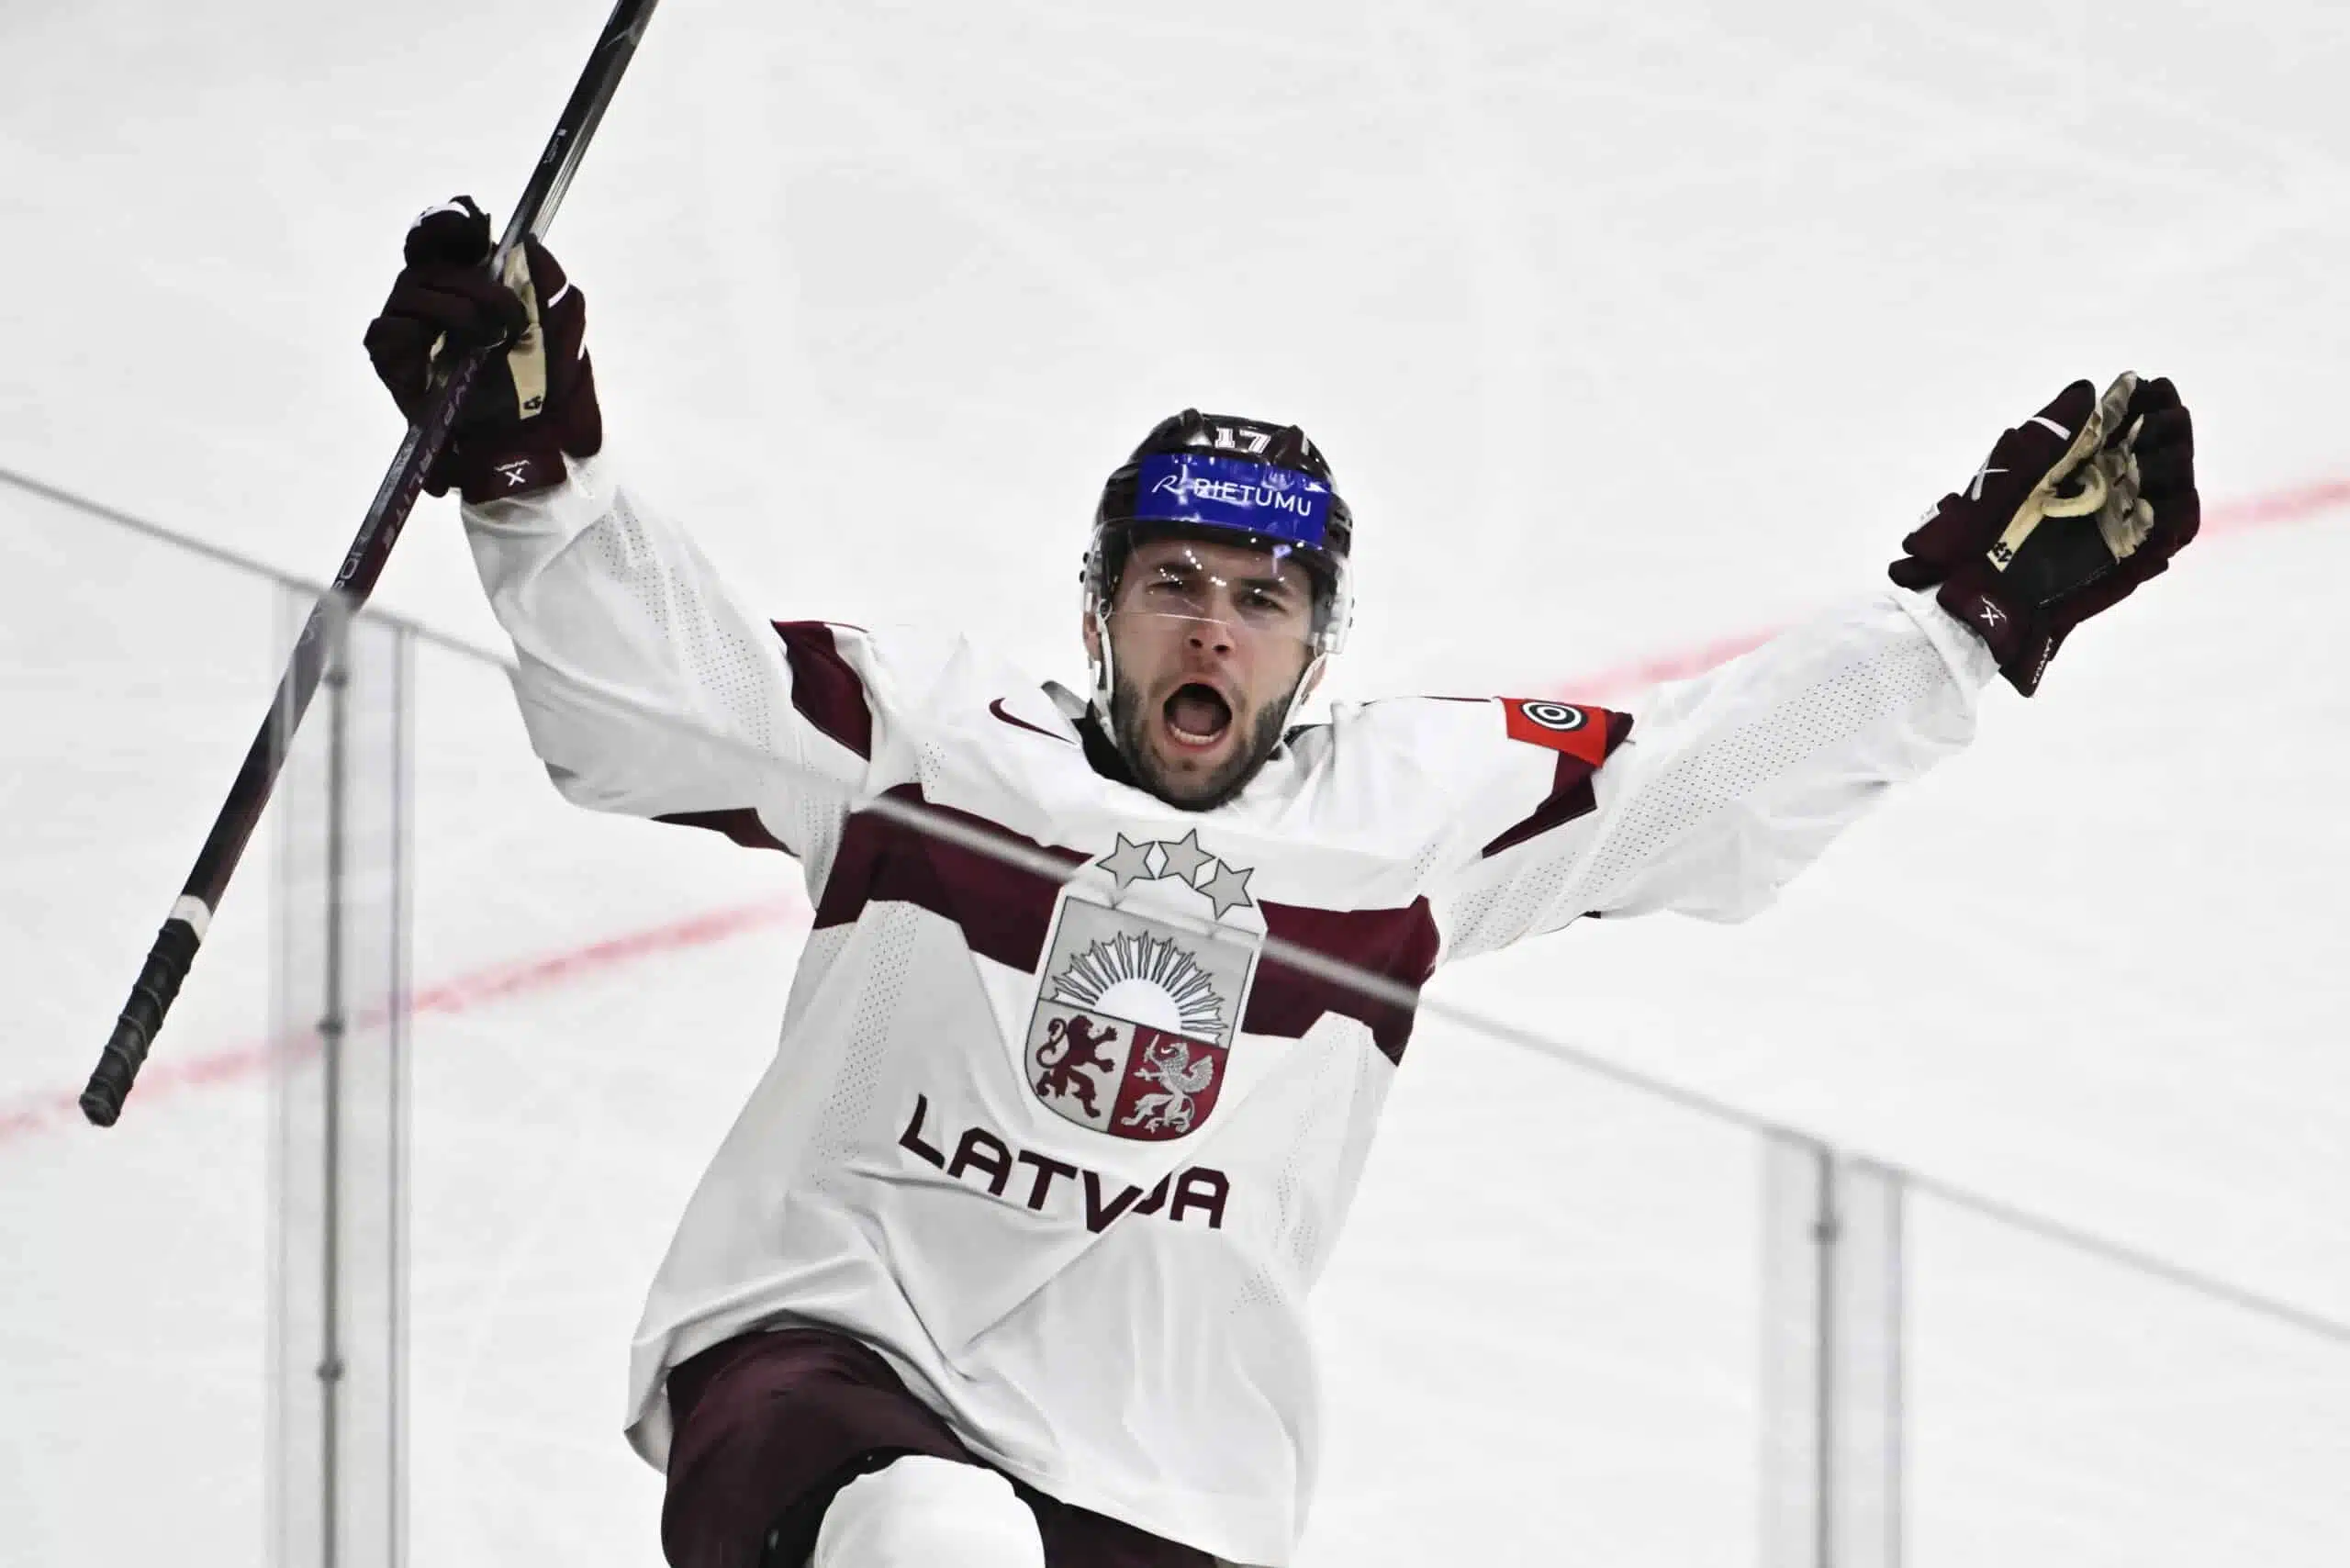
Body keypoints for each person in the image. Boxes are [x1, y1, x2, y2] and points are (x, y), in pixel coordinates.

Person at [365, 199, 2199, 1568]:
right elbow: (662, 698)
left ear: (1314, 645)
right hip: (832, 1360)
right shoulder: (929, 741)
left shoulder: (1407, 816)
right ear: (1100, 610)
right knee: (932, 1534)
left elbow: (1699, 786)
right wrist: (530, 471)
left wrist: (1965, 620)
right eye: (1170, 581)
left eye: (1261, 598)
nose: (1211, 627)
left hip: (1166, 1475)